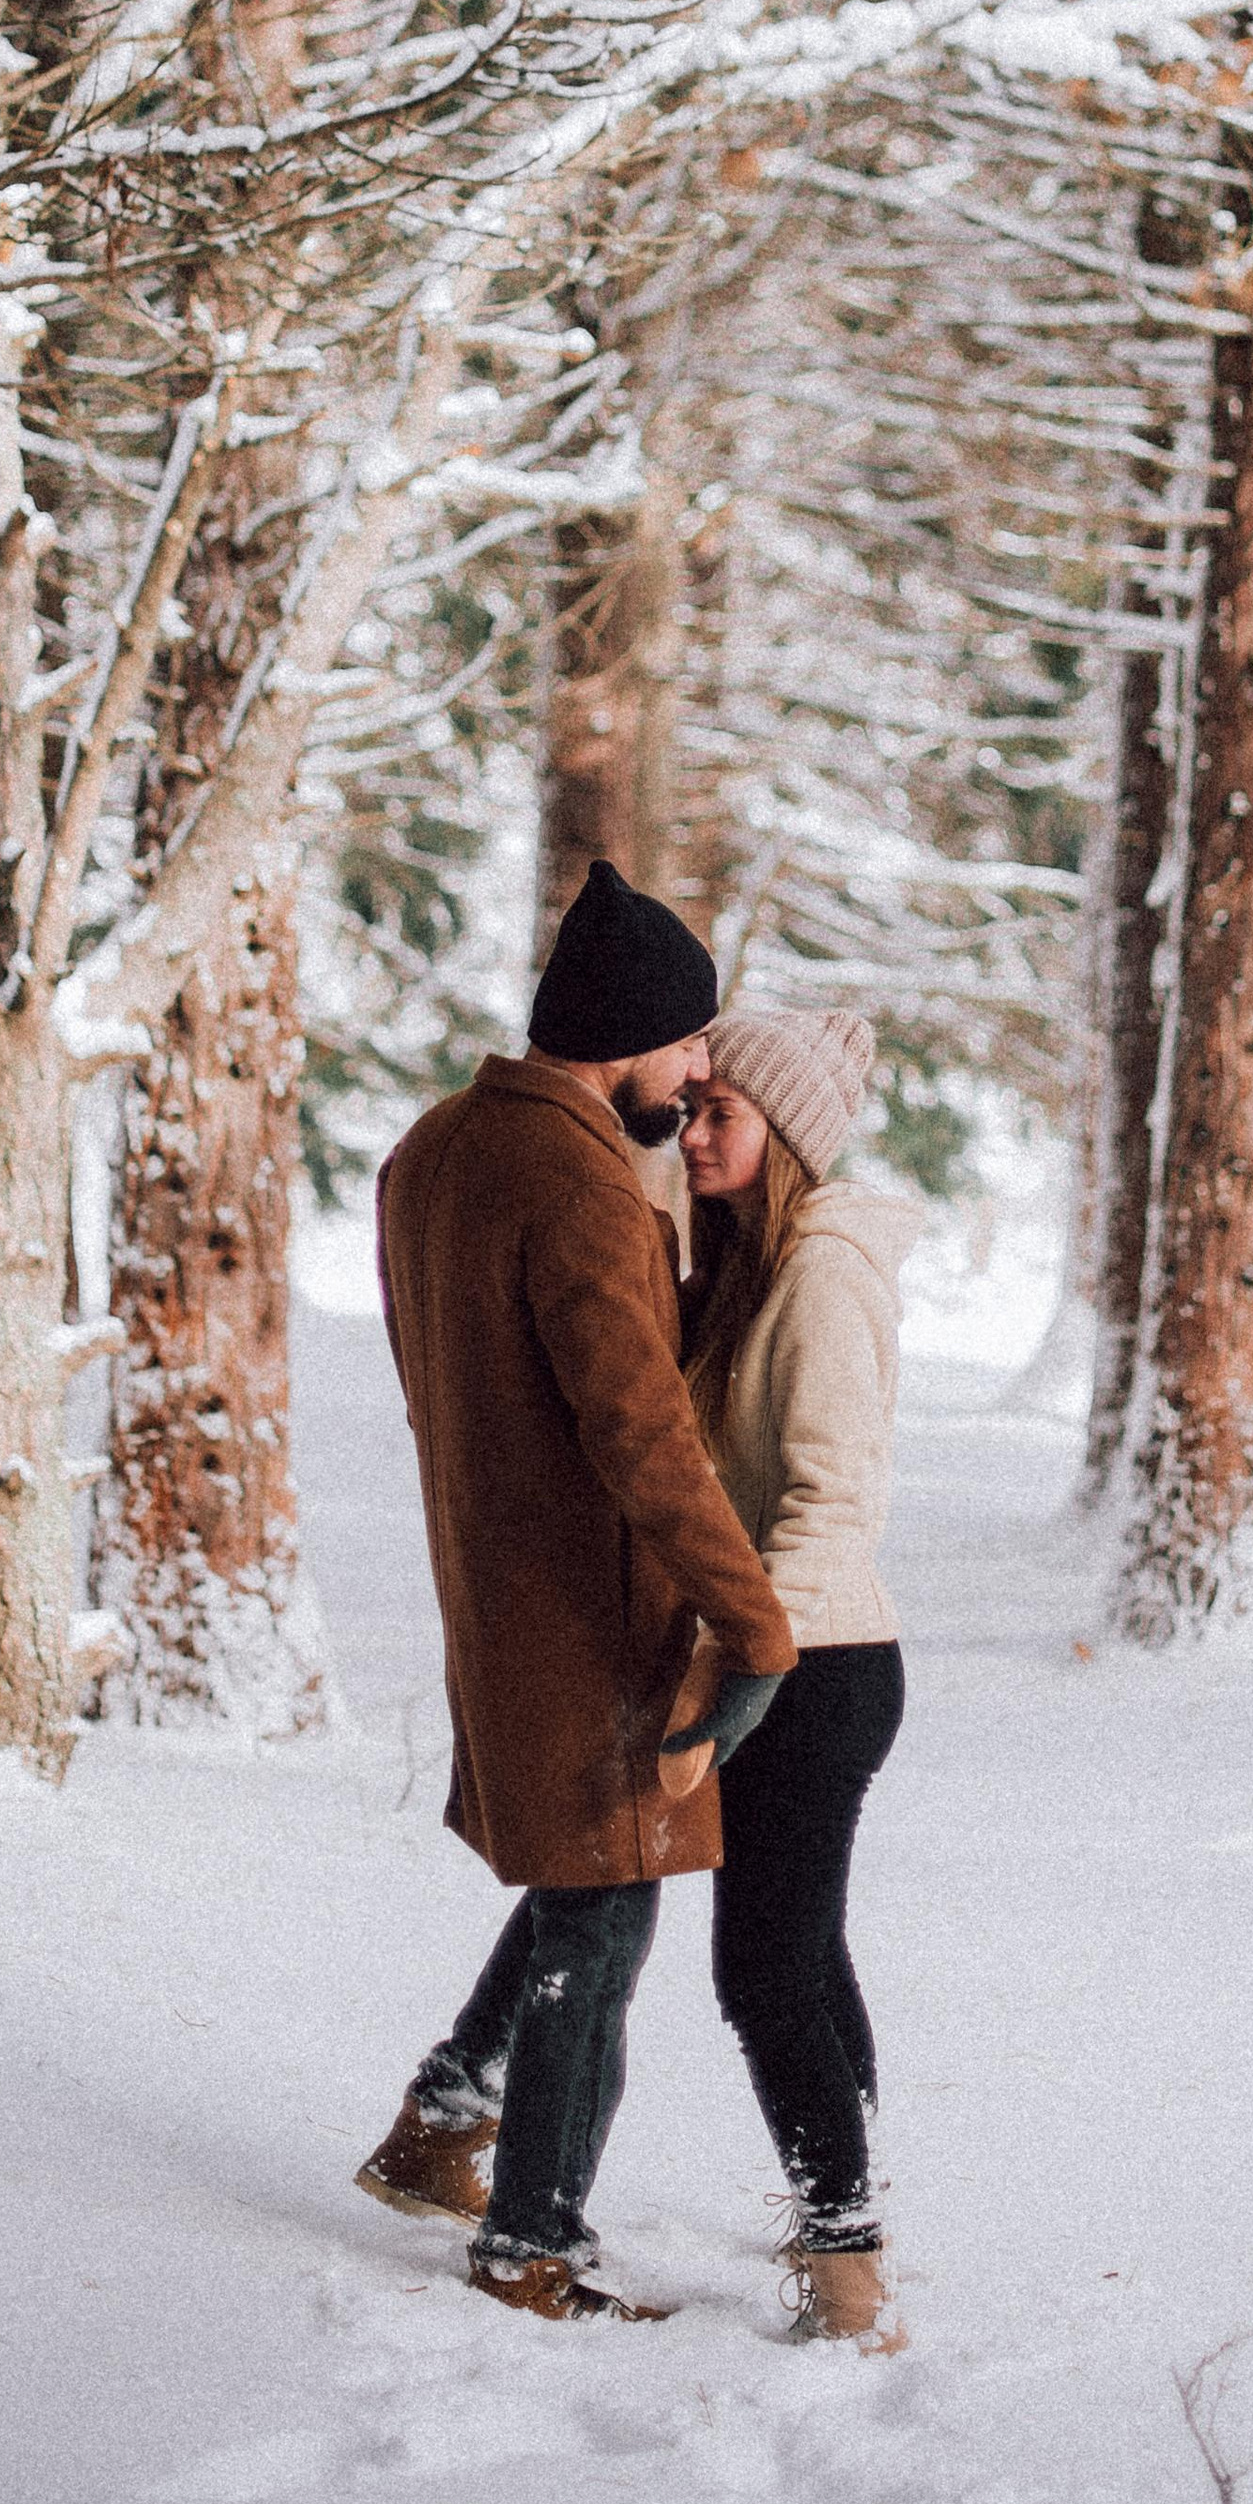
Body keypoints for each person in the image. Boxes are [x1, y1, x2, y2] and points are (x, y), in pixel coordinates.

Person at [359, 860, 798, 2324]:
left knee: (575, 1879)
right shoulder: (584, 1188)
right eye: (688, 1047)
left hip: (489, 1595)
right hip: (592, 1616)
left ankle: (444, 2122)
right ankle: (531, 2244)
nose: (698, 1075)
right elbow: (642, 1434)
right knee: (604, 1925)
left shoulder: (429, 1151)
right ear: (625, 1038)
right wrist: (753, 1617)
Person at [672, 1007, 916, 2352]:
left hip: (816, 1665)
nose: (695, 1132)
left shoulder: (823, 1275)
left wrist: (756, 1669)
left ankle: (847, 2265)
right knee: (803, 1954)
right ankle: (854, 2201)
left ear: (788, 1138)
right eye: (691, 1106)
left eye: (722, 1113)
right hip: (797, 1652)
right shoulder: (752, 1263)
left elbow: (836, 1501)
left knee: (760, 1970)